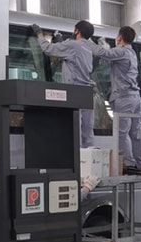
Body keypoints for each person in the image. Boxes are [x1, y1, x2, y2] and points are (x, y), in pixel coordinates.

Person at [35, 20, 97, 149]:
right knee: (87, 130)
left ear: (77, 31)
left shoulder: (73, 45)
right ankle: (88, 161)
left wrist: (40, 35)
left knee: (75, 128)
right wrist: (62, 42)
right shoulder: (88, 48)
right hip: (87, 92)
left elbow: (48, 49)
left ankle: (77, 161)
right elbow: (71, 58)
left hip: (75, 91)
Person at [102, 25, 141, 175]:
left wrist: (89, 42)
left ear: (120, 38)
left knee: (122, 133)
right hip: (136, 98)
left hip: (125, 98)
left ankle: (129, 164)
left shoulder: (121, 51)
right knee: (135, 132)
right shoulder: (132, 53)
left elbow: (103, 53)